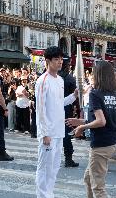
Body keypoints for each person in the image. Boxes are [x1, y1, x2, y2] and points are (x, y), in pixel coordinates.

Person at [66, 60, 116, 198]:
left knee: (98, 188)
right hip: (112, 141)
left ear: (98, 75)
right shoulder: (113, 94)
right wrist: (80, 122)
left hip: (101, 144)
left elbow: (101, 121)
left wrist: (82, 127)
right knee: (88, 179)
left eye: (93, 73)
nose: (91, 76)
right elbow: (102, 119)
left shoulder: (95, 94)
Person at [35, 46, 78, 198]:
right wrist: (44, 133)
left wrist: (73, 96)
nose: (60, 62)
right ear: (48, 61)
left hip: (59, 131)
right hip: (48, 133)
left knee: (54, 167)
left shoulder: (60, 80)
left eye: (61, 59)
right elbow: (40, 109)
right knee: (44, 167)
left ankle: (49, 193)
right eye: (56, 59)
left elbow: (60, 103)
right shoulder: (42, 81)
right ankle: (42, 195)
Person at [58, 55, 79, 167]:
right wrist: (76, 109)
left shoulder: (55, 76)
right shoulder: (70, 78)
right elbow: (75, 96)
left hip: (56, 107)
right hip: (67, 107)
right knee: (66, 133)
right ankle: (68, 158)